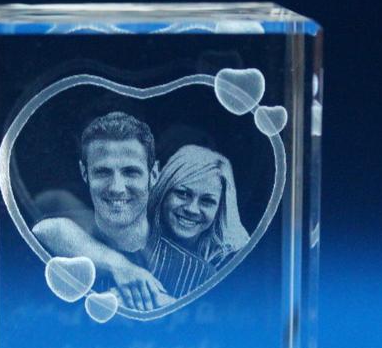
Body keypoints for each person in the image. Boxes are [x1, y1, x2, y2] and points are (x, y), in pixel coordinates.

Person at [33, 112, 211, 310]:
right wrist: (121, 267)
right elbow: (44, 229)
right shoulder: (57, 249)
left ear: (153, 174)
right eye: (103, 172)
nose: (116, 187)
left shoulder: (198, 273)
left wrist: (163, 306)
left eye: (130, 172)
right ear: (84, 173)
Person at [148, 144, 250, 271]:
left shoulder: (228, 263)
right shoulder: (133, 239)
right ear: (163, 191)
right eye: (183, 194)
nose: (192, 209)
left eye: (207, 201)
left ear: (220, 209)